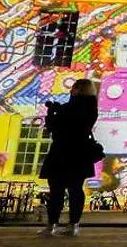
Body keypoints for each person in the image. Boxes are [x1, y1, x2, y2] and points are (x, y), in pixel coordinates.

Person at [39, 79, 100, 236]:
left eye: (73, 88)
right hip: (81, 154)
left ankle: (52, 224)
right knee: (75, 190)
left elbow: (54, 127)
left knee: (56, 190)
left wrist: (53, 112)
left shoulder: (68, 109)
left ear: (78, 90)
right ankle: (74, 224)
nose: (70, 91)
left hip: (62, 153)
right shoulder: (92, 108)